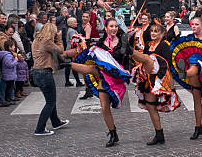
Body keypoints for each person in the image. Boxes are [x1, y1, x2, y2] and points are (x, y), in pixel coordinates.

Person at [69, 18, 131, 146]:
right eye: (111, 26)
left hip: (117, 81)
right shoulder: (100, 45)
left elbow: (130, 59)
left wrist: (127, 70)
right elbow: (93, 59)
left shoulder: (123, 43)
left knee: (113, 105)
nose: (114, 29)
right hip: (103, 79)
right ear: (106, 28)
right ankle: (113, 133)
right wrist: (91, 52)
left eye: (115, 26)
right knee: (104, 108)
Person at [170, 16, 202, 140]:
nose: (194, 26)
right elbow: (178, 48)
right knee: (196, 100)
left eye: (197, 24)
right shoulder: (188, 39)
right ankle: (198, 126)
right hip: (194, 75)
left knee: (196, 61)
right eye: (193, 24)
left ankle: (185, 73)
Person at [131, 23, 180, 145]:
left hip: (160, 79)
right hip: (148, 78)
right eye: (152, 31)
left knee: (151, 105)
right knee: (150, 106)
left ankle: (159, 134)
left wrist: (170, 86)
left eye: (156, 31)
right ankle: (159, 133)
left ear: (162, 34)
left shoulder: (164, 45)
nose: (153, 33)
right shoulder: (148, 44)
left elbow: (168, 65)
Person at [31, 23, 72, 136]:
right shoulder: (46, 42)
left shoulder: (36, 40)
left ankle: (56, 122)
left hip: (37, 72)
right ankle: (40, 128)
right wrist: (59, 39)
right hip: (44, 73)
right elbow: (60, 50)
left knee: (50, 99)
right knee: (50, 102)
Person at [0, 39, 19, 104]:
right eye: (13, 46)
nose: (15, 47)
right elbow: (10, 64)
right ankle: (8, 99)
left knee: (9, 88)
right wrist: (16, 60)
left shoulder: (9, 54)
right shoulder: (8, 55)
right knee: (8, 88)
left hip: (9, 74)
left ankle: (8, 99)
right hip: (8, 75)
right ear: (9, 47)